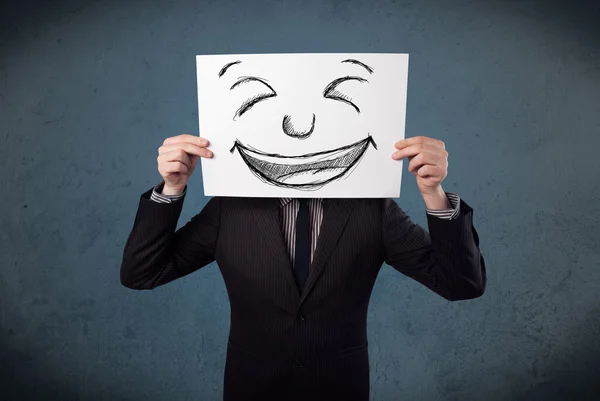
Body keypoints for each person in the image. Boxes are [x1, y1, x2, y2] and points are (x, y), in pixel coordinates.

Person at [120, 133, 486, 401]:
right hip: (252, 388)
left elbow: (461, 284)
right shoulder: (230, 209)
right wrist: (172, 188)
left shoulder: (372, 210)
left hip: (340, 387)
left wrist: (433, 194)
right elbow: (142, 273)